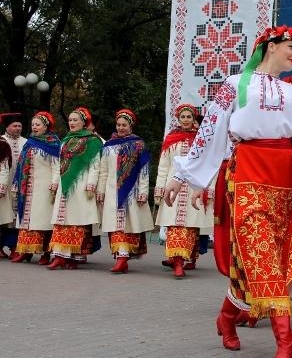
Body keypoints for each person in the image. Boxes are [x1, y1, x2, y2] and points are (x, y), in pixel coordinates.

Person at [164, 24, 292, 358]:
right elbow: (211, 131)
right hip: (247, 174)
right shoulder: (235, 84)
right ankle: (286, 342)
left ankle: (226, 316)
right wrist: (182, 175)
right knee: (261, 255)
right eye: (291, 47)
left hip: (286, 181)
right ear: (270, 46)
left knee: (269, 260)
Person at [154, 103, 214, 279]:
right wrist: (160, 188)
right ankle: (178, 260)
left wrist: (208, 189)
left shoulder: (200, 139)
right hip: (173, 187)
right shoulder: (171, 139)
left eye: (189, 117)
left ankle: (187, 258)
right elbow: (164, 166)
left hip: (194, 188)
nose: (186, 120)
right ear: (178, 119)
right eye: (183, 117)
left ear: (194, 118)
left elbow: (209, 166)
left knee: (190, 226)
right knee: (174, 225)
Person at [96, 109, 154, 274]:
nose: (120, 128)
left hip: (131, 191)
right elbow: (103, 170)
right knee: (115, 225)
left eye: (124, 125)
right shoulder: (109, 146)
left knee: (129, 224)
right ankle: (120, 258)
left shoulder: (138, 144)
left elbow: (144, 170)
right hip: (112, 191)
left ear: (131, 126)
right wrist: (100, 190)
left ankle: (124, 257)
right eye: (118, 125)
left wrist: (143, 192)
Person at [47, 107, 103, 270]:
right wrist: (55, 183)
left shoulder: (93, 141)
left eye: (75, 120)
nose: (71, 123)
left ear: (84, 122)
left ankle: (73, 256)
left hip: (81, 185)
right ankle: (59, 255)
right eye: (70, 120)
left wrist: (91, 185)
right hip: (64, 185)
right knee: (61, 220)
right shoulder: (65, 140)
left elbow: (95, 165)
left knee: (77, 221)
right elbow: (58, 164)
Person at [10, 111, 60, 265]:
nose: (34, 127)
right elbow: (21, 166)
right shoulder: (29, 143)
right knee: (27, 221)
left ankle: (45, 253)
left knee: (43, 221)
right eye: (33, 124)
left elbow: (57, 166)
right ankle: (25, 251)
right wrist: (17, 183)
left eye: (38, 124)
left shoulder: (53, 144)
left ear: (46, 126)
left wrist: (54, 183)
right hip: (28, 188)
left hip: (44, 189)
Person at [0, 112, 27, 258]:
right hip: (4, 184)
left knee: (17, 217)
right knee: (4, 216)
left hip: (21, 185)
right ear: (7, 127)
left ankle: (15, 247)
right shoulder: (2, 141)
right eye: (14, 126)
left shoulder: (26, 142)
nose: (17, 128)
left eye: (19, 126)